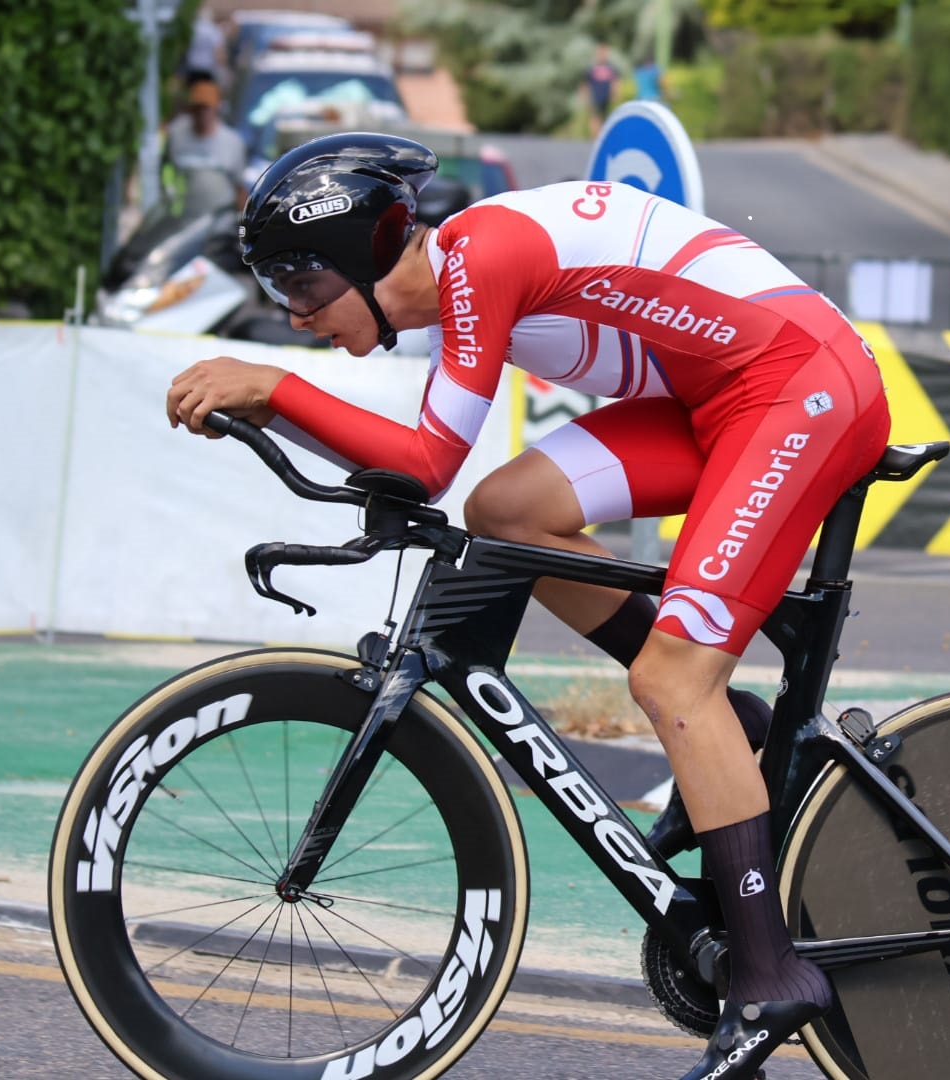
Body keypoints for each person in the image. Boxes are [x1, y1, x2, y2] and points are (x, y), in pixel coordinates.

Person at [165, 133, 891, 1079]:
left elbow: (423, 463)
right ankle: (739, 731)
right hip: (723, 395)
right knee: (507, 514)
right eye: (278, 297)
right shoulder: (470, 271)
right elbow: (435, 475)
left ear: (363, 258)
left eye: (301, 288)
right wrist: (283, 402)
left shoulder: (483, 261)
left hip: (796, 387)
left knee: (674, 676)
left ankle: (769, 975)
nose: (295, 318)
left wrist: (277, 388)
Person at [162, 74, 248, 210]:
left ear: (216, 108)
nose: (202, 114)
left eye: (206, 108)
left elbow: (240, 187)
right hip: (184, 215)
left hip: (219, 220)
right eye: (198, 108)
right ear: (191, 109)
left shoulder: (232, 142)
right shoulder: (176, 134)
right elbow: (165, 168)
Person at [580, 43, 619, 137]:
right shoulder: (591, 68)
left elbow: (616, 81)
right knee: (595, 117)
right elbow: (585, 83)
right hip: (595, 96)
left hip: (606, 96)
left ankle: (602, 135)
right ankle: (596, 137)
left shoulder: (611, 67)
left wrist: (615, 93)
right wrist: (585, 96)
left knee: (605, 117)